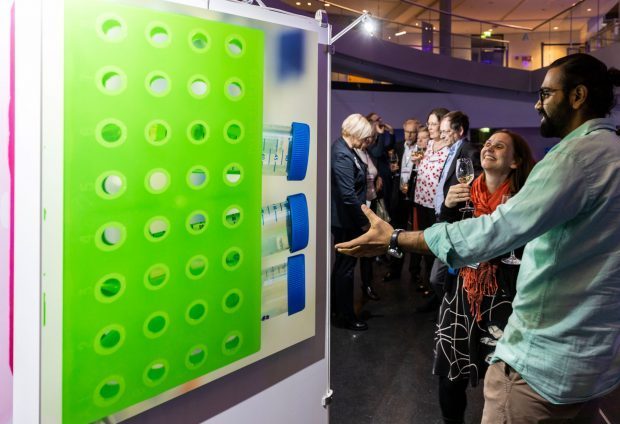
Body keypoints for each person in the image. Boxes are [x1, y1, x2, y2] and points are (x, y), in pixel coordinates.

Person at [335, 53, 620, 421]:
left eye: (547, 93)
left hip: (543, 363)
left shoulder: (574, 159)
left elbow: (493, 233)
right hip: (592, 362)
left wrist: (396, 239)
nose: (537, 103)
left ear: (577, 96)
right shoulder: (611, 151)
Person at [433, 130, 535, 424]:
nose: (489, 148)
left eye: (499, 146)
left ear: (515, 162)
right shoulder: (463, 193)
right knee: (450, 376)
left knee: (504, 380)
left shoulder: (523, 201)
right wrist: (447, 209)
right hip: (461, 295)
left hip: (505, 301)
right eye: (487, 144)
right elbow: (444, 242)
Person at [420, 111, 482, 312]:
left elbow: (479, 186)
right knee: (443, 275)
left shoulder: (469, 150)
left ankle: (453, 310)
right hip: (444, 216)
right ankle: (449, 308)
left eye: (446, 131)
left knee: (438, 277)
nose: (442, 134)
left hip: (457, 221)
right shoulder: (452, 149)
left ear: (460, 131)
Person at [331, 113, 373, 331]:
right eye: (364, 136)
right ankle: (346, 316)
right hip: (346, 221)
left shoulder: (347, 150)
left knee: (342, 266)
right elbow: (348, 194)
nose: (365, 140)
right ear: (355, 132)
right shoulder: (341, 154)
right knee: (345, 268)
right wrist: (364, 223)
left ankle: (337, 309)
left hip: (347, 219)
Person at [384, 118, 420, 282]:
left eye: (413, 132)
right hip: (398, 196)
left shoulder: (422, 148)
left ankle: (415, 273)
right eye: (407, 131)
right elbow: (390, 170)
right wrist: (392, 171)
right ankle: (395, 270)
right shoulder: (397, 147)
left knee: (414, 234)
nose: (410, 135)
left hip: (414, 196)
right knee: (396, 234)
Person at [355, 136, 382, 301]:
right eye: (367, 137)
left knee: (368, 248)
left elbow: (372, 171)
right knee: (360, 248)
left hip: (371, 203)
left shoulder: (366, 152)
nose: (370, 140)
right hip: (360, 207)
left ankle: (367, 284)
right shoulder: (353, 153)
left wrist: (378, 178)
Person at [366, 112, 396, 213]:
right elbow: (377, 153)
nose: (380, 122)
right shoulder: (367, 139)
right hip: (378, 178)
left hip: (386, 176)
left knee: (389, 205)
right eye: (376, 120)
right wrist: (381, 134)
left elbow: (388, 148)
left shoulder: (377, 137)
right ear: (370, 123)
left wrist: (391, 133)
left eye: (380, 119)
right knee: (382, 208)